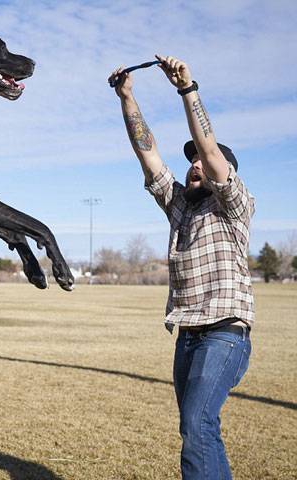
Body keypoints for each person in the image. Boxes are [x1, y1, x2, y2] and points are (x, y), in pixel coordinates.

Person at [109, 55, 255, 479]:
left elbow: (209, 150)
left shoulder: (234, 205)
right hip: (188, 335)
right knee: (199, 427)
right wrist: (127, 97)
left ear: (221, 173)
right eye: (189, 160)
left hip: (225, 333)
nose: (195, 164)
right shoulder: (179, 207)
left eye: (202, 164)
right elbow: (148, 151)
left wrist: (187, 90)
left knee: (197, 426)